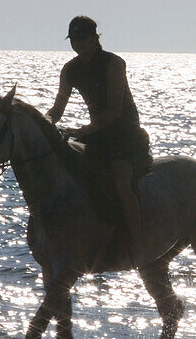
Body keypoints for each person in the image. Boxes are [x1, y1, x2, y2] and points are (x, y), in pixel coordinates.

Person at [47, 16, 151, 254]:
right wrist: (41, 123)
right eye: (74, 39)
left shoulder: (113, 63)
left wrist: (85, 130)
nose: (79, 44)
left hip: (124, 132)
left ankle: (137, 242)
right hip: (97, 133)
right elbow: (57, 110)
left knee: (122, 184)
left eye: (83, 38)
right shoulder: (70, 69)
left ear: (95, 39)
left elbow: (114, 111)